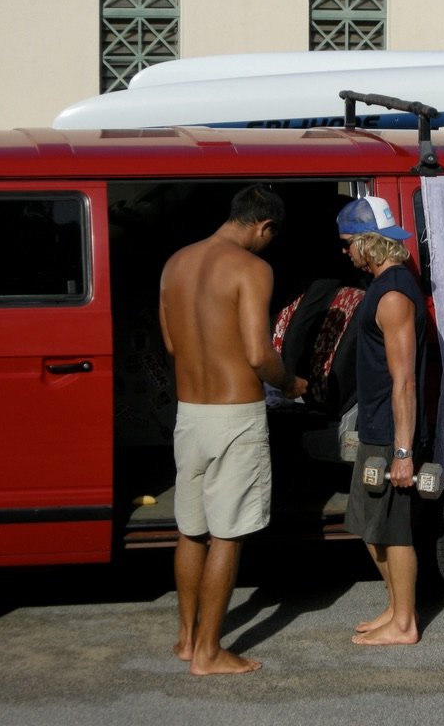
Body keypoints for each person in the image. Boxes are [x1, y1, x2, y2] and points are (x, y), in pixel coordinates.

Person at [159, 184, 307, 674]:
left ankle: (185, 639)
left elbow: (173, 344)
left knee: (191, 530)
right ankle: (209, 652)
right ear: (264, 227)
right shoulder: (252, 268)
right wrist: (292, 383)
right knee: (227, 535)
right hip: (234, 415)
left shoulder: (176, 262)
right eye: (270, 236)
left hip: (190, 412)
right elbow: (258, 355)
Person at [337, 195, 427, 646]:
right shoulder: (386, 285)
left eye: (347, 242)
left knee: (392, 530)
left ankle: (405, 624)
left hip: (393, 433)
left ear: (367, 243)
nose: (345, 251)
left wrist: (404, 452)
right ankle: (395, 607)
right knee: (370, 527)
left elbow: (405, 381)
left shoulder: (392, 294)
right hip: (376, 426)